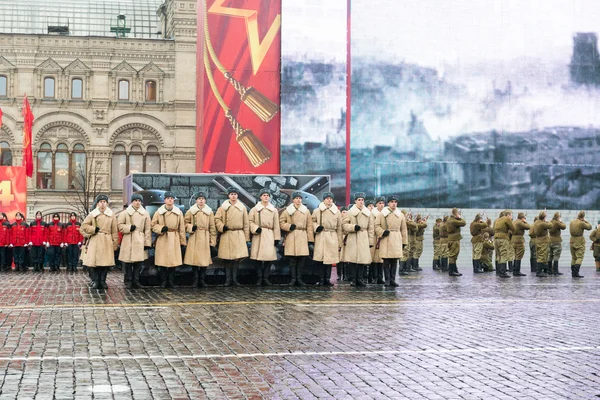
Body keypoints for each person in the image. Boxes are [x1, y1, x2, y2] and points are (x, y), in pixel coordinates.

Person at [80, 195, 119, 289]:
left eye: (104, 202)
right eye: (100, 201)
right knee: (95, 263)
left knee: (105, 263)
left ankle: (103, 281)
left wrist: (115, 243)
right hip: (96, 239)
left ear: (107, 203)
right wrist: (93, 229)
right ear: (97, 203)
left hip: (106, 240)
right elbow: (84, 226)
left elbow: (114, 230)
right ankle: (96, 280)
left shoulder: (111, 214)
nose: (102, 203)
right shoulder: (93, 214)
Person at [215, 187, 250, 287]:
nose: (233, 196)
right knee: (227, 259)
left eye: (235, 194)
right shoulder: (222, 208)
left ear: (237, 195)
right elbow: (217, 219)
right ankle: (227, 279)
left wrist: (246, 238)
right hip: (227, 234)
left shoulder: (242, 208)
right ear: (228, 195)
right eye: (231, 194)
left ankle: (234, 279)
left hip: (238, 234)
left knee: (236, 259)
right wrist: (222, 227)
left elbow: (246, 223)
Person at [151, 191, 186, 288]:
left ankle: (171, 281)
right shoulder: (158, 212)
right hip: (163, 238)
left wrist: (182, 241)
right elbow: (153, 225)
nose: (170, 200)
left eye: (171, 198)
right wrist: (161, 228)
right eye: (168, 198)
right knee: (163, 261)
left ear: (174, 200)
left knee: (173, 261)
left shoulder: (178, 212)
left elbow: (182, 228)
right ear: (164, 200)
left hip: (174, 237)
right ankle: (163, 281)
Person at [279, 191, 314, 286]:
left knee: (301, 259)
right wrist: (289, 226)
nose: (298, 200)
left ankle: (299, 278)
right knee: (292, 260)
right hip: (291, 235)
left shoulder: (306, 211)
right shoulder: (287, 211)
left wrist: (310, 239)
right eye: (296, 198)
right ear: (293, 200)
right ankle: (293, 279)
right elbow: (281, 222)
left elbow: (310, 226)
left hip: (302, 235)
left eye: (300, 198)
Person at [119, 193, 152, 289]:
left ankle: (136, 280)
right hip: (128, 239)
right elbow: (120, 226)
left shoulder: (145, 213)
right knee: (128, 263)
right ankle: (129, 280)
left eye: (139, 201)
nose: (137, 202)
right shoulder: (125, 213)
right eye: (135, 200)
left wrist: (147, 243)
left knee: (138, 263)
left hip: (140, 239)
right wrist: (128, 228)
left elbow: (147, 229)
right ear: (132, 201)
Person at [341, 192, 374, 287]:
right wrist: (353, 227)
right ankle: (353, 279)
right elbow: (344, 225)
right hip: (353, 237)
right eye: (359, 200)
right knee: (352, 260)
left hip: (363, 236)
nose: (361, 202)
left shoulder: (368, 213)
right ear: (355, 201)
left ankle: (360, 278)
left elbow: (371, 228)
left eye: (362, 200)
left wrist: (370, 241)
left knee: (362, 260)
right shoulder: (350, 212)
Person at [184, 192, 217, 288]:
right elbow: (184, 223)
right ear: (196, 200)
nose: (201, 200)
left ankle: (202, 279)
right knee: (194, 259)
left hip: (205, 236)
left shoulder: (209, 212)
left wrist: (212, 241)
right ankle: (195, 279)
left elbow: (212, 227)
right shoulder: (191, 211)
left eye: (203, 199)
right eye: (199, 199)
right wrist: (190, 227)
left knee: (204, 260)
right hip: (194, 236)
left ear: (205, 200)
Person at [249, 189, 281, 286]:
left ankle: (266, 277)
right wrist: (255, 228)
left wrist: (276, 238)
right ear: (260, 197)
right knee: (257, 258)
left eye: (267, 195)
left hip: (269, 235)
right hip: (258, 234)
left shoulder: (274, 210)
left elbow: (276, 225)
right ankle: (259, 277)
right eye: (264, 195)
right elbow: (250, 222)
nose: (266, 197)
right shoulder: (254, 209)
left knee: (268, 258)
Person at [374, 195, 408, 287]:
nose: (394, 204)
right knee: (386, 260)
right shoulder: (382, 214)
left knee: (394, 260)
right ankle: (387, 279)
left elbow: (404, 229)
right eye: (392, 202)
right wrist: (382, 232)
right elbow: (376, 226)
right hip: (386, 238)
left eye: (395, 202)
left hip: (396, 238)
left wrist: (404, 242)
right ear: (388, 203)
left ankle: (392, 279)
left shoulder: (400, 214)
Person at [312, 192, 343, 287]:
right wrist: (317, 227)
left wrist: (339, 242)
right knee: (320, 260)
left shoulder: (336, 212)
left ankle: (327, 279)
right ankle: (321, 279)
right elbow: (312, 221)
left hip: (332, 236)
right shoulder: (318, 211)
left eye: (331, 198)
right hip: (321, 235)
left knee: (329, 260)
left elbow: (339, 227)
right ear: (324, 200)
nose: (329, 200)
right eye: (327, 198)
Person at [569, 211, 592, 279]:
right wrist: (585, 221)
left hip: (572, 240)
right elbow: (590, 227)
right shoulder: (581, 223)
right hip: (579, 241)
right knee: (579, 257)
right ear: (583, 217)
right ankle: (576, 273)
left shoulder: (572, 222)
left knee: (573, 257)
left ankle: (573, 273)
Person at [493, 210, 516, 278]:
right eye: (511, 215)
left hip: (496, 238)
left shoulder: (497, 220)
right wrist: (510, 221)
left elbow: (493, 228)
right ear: (508, 215)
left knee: (499, 255)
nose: (511, 217)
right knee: (504, 254)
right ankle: (503, 273)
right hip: (503, 238)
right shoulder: (506, 219)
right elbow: (513, 229)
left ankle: (500, 271)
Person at [369, 196, 386, 283]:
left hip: (383, 238)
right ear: (376, 204)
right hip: (375, 236)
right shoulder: (373, 213)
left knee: (382, 258)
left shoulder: (386, 213)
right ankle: (374, 277)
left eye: (383, 203)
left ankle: (380, 277)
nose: (381, 205)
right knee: (374, 258)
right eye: (380, 203)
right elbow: (372, 225)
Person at [445, 208, 466, 277]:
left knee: (453, 255)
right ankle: (451, 271)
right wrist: (459, 217)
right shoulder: (453, 221)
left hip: (451, 239)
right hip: (454, 240)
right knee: (453, 255)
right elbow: (464, 223)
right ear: (456, 213)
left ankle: (454, 269)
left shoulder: (449, 219)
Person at [533, 211, 553, 277]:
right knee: (542, 256)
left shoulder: (536, 222)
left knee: (540, 255)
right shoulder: (542, 224)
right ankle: (538, 272)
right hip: (543, 241)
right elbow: (551, 225)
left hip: (538, 240)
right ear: (544, 217)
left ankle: (541, 270)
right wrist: (546, 221)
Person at [511, 212, 530, 276]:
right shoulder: (519, 222)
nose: (525, 219)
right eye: (524, 218)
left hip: (513, 240)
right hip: (519, 240)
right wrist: (525, 221)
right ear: (522, 218)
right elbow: (528, 227)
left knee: (516, 256)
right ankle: (517, 271)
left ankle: (515, 271)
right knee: (519, 256)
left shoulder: (514, 222)